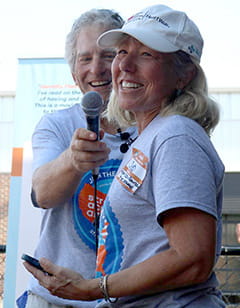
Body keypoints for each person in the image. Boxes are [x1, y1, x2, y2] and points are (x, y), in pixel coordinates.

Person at [23, 4, 226, 307]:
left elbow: (192, 259)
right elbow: (41, 191)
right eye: (121, 51)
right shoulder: (154, 133)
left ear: (184, 74)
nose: (124, 65)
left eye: (146, 54)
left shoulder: (176, 136)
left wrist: (95, 288)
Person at [18, 8, 137, 308]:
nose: (96, 69)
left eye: (107, 55)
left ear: (126, 63)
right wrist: (73, 160)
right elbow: (41, 193)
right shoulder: (55, 125)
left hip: (125, 298)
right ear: (74, 75)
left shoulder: (153, 129)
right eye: (85, 59)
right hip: (54, 297)